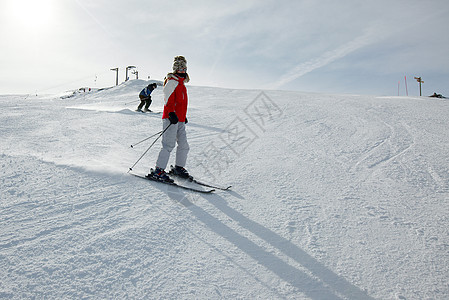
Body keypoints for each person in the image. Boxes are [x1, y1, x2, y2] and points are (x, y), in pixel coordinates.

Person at [149, 56, 190, 182]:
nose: (183, 71)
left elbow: (181, 103)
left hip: (180, 119)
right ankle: (158, 170)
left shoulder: (182, 84)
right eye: (180, 69)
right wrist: (171, 113)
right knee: (168, 145)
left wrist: (183, 116)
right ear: (176, 69)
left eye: (184, 68)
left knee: (184, 145)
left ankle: (178, 168)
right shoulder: (172, 81)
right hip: (171, 118)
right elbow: (168, 98)